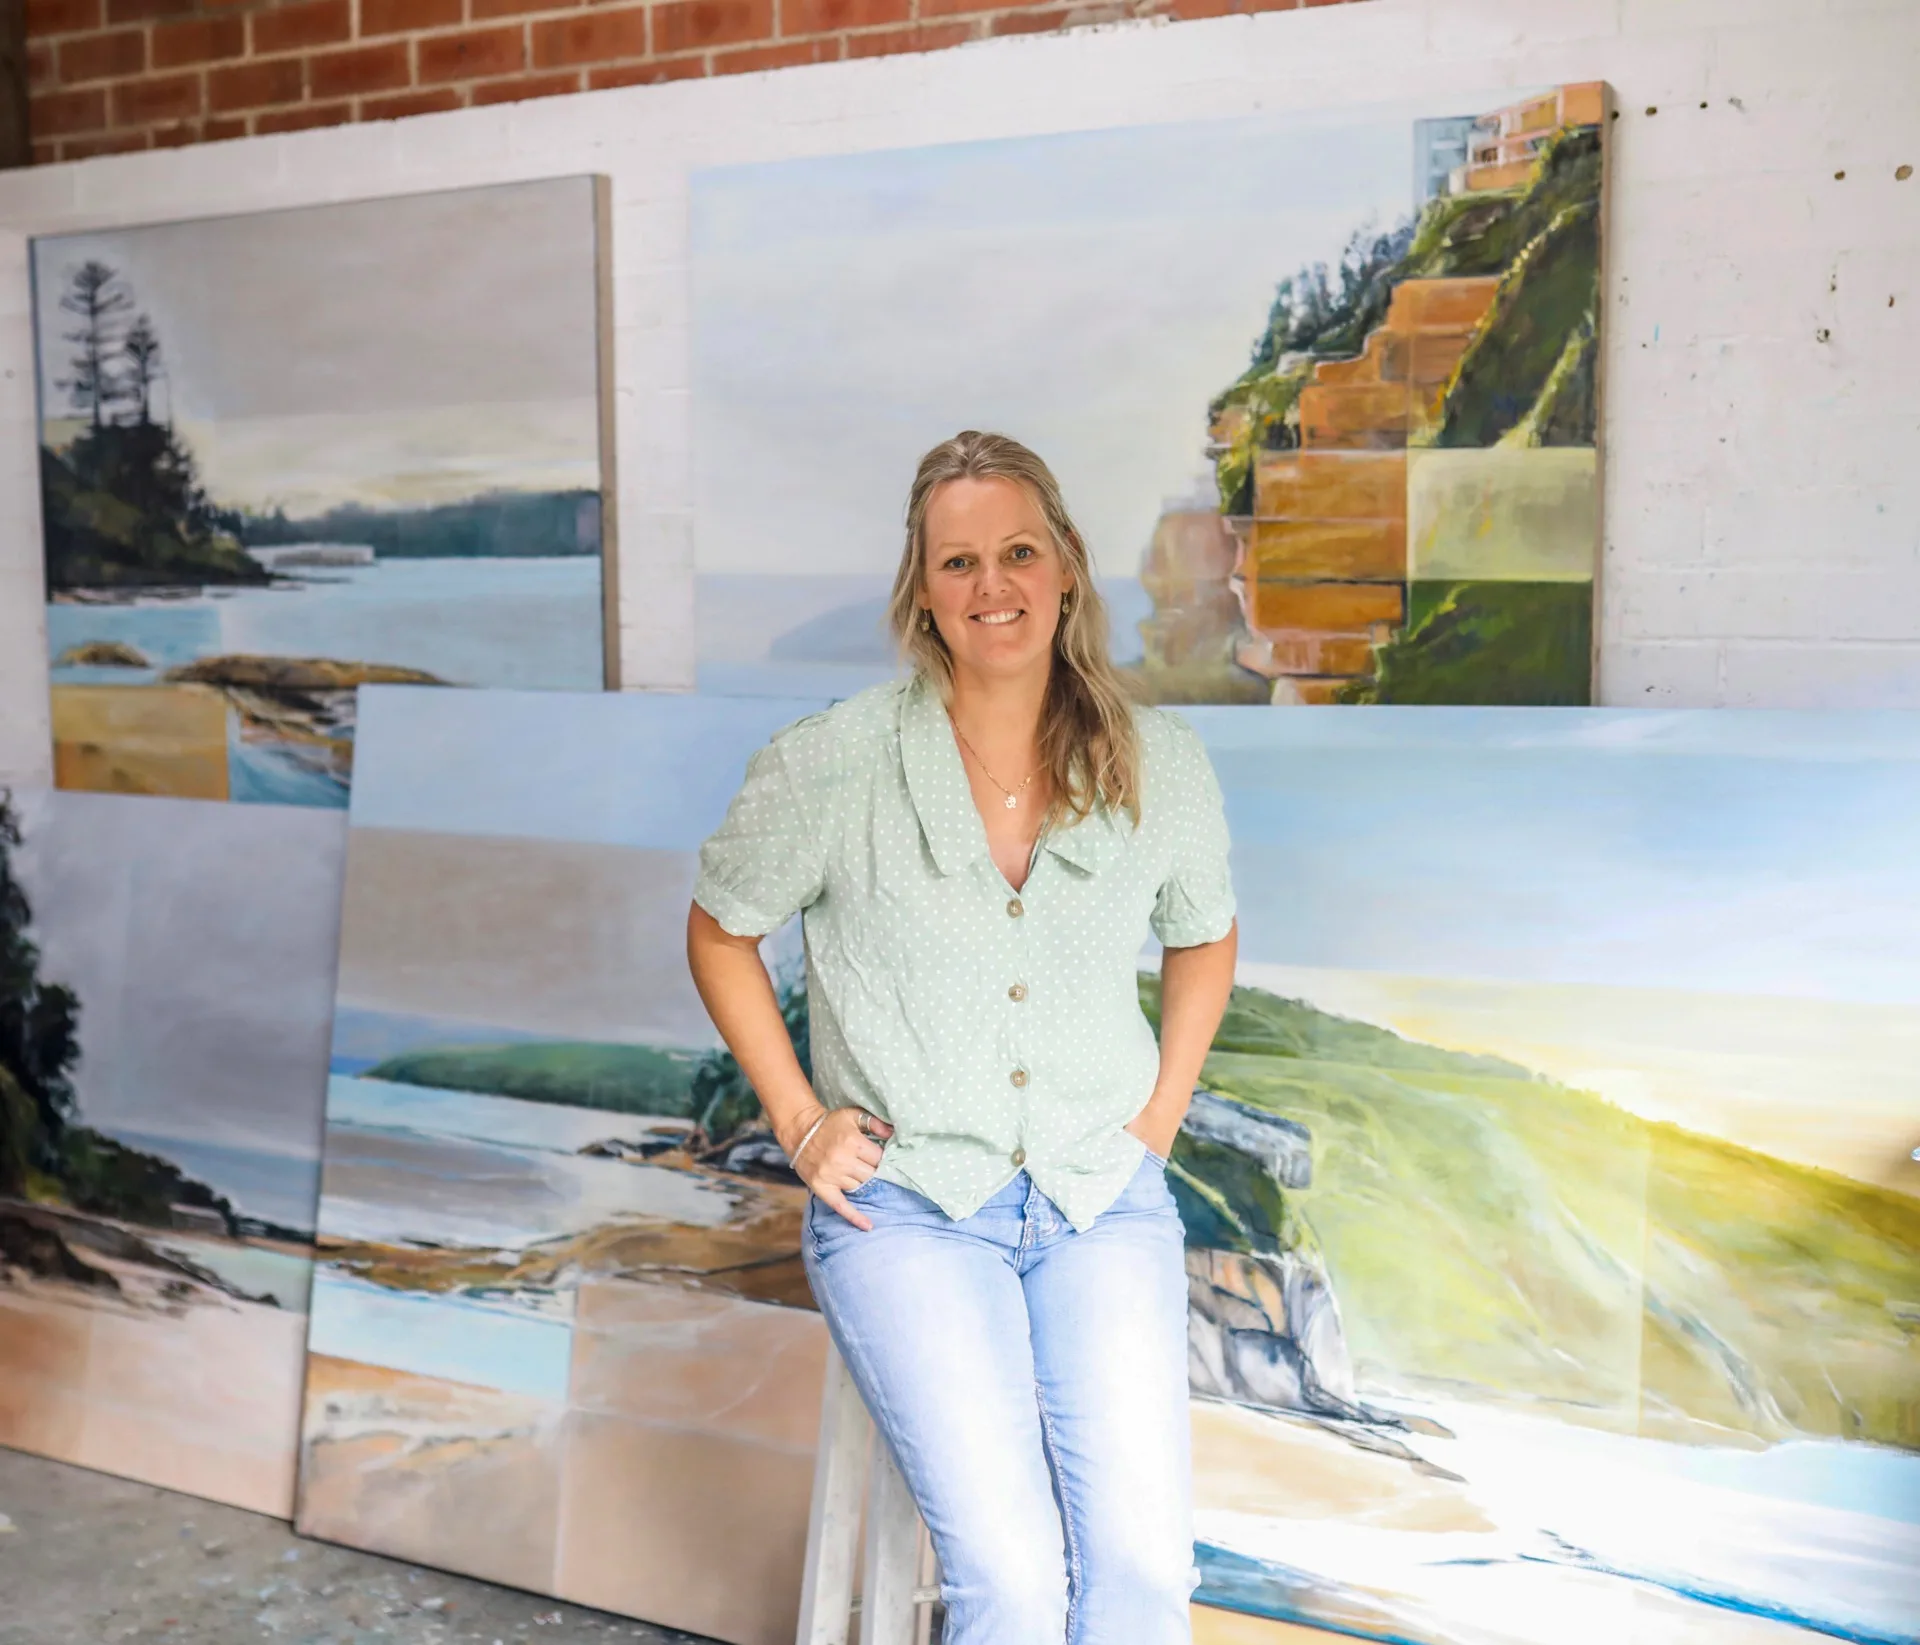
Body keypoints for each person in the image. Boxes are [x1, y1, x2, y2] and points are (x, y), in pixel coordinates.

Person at [686, 430, 1238, 1645]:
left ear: (1066, 568)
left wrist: (1161, 1115)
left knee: (1146, 1577)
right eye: (959, 562)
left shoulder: (1164, 767)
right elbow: (720, 930)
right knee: (1014, 1584)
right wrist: (797, 1118)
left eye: (1019, 551)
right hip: (913, 1212)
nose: (994, 586)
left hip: (1103, 1199)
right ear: (923, 592)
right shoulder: (834, 763)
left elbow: (1206, 934)